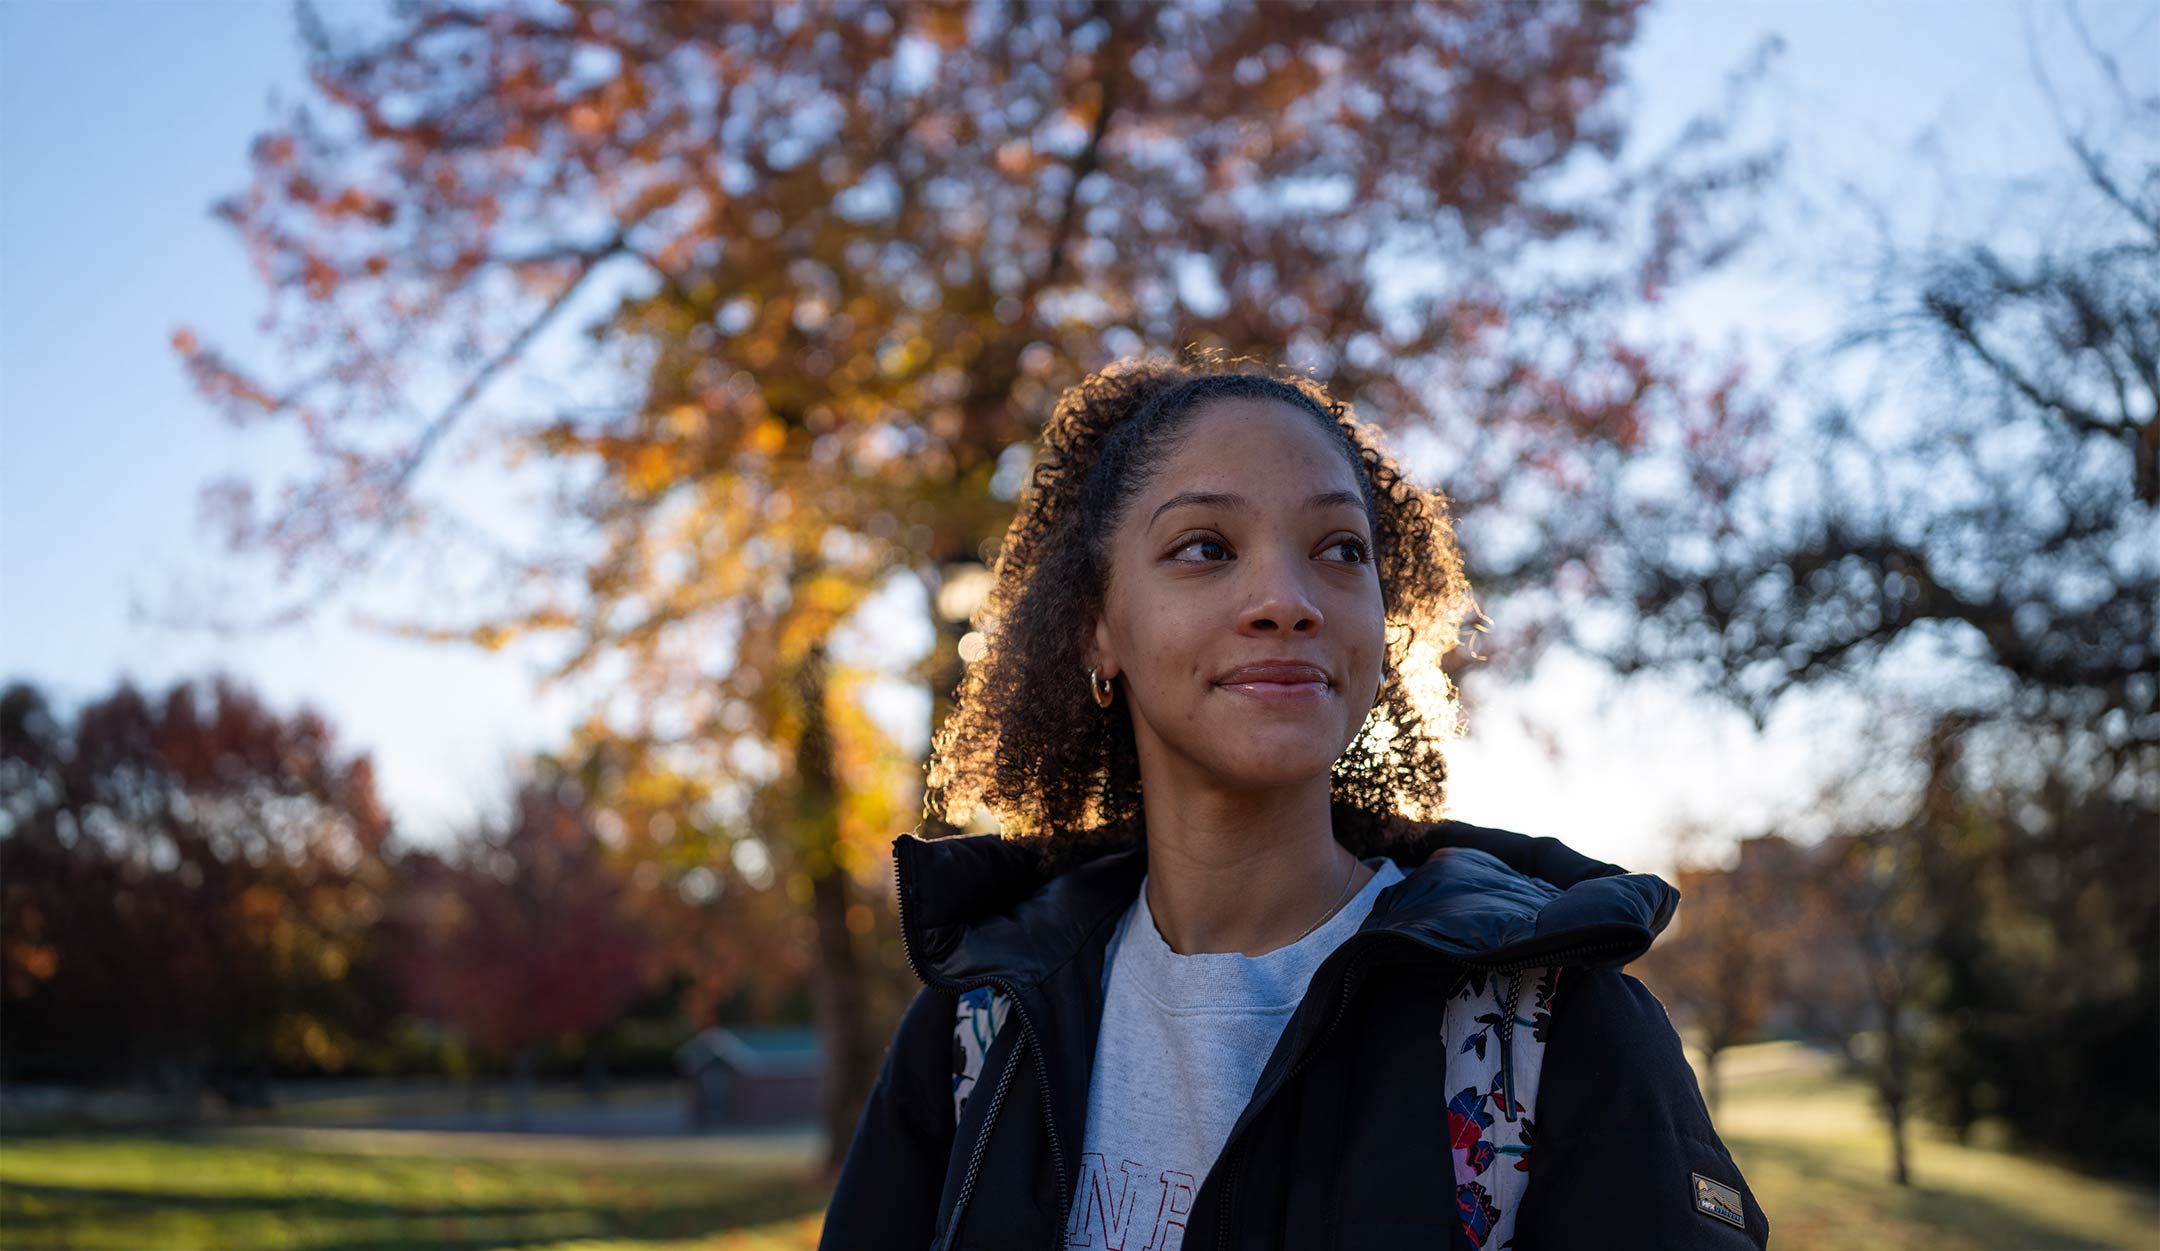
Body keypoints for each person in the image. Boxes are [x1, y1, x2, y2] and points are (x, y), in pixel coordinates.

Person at [818, 354, 1768, 1251]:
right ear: (1097, 628)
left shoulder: (1551, 1027)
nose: (1286, 597)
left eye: (1339, 549)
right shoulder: (978, 1029)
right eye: (1205, 546)